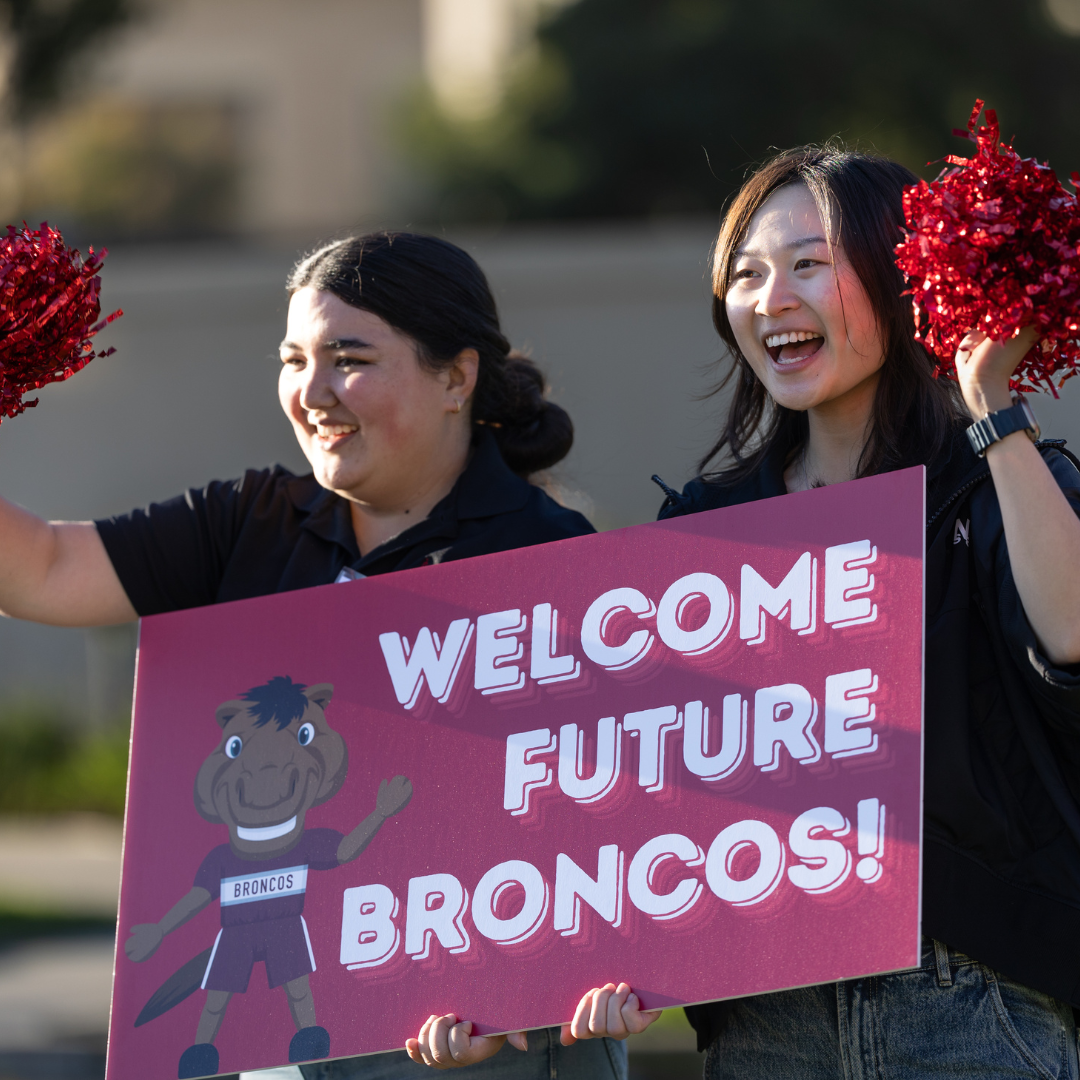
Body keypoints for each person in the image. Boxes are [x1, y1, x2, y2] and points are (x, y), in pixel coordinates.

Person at [409, 147, 1080, 1078]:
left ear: (904, 279)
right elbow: (638, 780)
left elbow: (1071, 638)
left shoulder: (999, 483)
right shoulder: (707, 526)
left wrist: (992, 410)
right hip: (768, 1015)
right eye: (747, 273)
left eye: (808, 264)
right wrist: (569, 966)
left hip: (966, 999)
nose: (771, 299)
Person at [0, 231, 629, 1080]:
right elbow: (42, 570)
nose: (312, 391)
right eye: (295, 360)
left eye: (350, 360)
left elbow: (604, 820)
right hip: (279, 1038)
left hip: (493, 1043)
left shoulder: (549, 553)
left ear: (456, 378)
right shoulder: (251, 520)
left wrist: (509, 992)